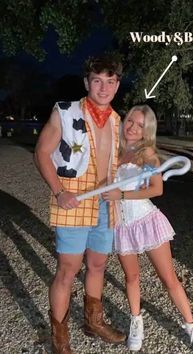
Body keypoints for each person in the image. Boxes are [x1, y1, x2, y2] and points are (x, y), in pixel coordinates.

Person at [34, 55, 126, 353]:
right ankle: (59, 338)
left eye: (110, 81)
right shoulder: (65, 111)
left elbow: (109, 161)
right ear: (87, 82)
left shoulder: (115, 119)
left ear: (117, 85)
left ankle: (93, 322)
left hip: (104, 204)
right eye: (97, 80)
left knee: (98, 264)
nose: (103, 87)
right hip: (73, 201)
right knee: (67, 269)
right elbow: (42, 153)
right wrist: (59, 191)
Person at [102, 105, 193, 354]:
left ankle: (192, 327)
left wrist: (122, 193)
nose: (132, 127)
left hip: (146, 220)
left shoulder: (147, 153)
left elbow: (156, 189)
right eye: (130, 121)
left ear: (146, 130)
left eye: (140, 125)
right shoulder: (113, 151)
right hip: (122, 225)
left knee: (169, 279)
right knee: (131, 277)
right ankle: (136, 321)